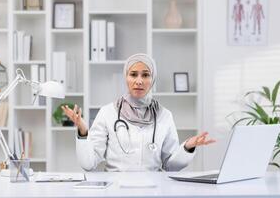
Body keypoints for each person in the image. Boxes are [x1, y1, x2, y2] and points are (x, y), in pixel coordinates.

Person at [62, 53, 215, 172]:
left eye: (145, 75)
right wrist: (83, 131)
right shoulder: (107, 112)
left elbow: (170, 166)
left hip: (153, 189)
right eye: (133, 74)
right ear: (126, 77)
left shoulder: (164, 116)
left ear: (153, 78)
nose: (139, 80)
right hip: (116, 190)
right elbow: (88, 164)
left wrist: (187, 147)